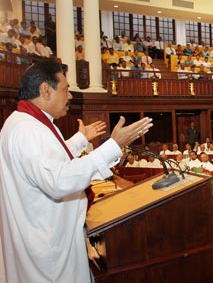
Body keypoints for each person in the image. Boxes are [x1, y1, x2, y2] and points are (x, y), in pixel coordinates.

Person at [0, 62, 153, 283]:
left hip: (36, 234)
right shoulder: (29, 130)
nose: (69, 95)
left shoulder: (21, 123)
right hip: (47, 249)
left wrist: (81, 139)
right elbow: (58, 179)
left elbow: (47, 163)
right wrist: (112, 145)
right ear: (45, 90)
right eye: (65, 89)